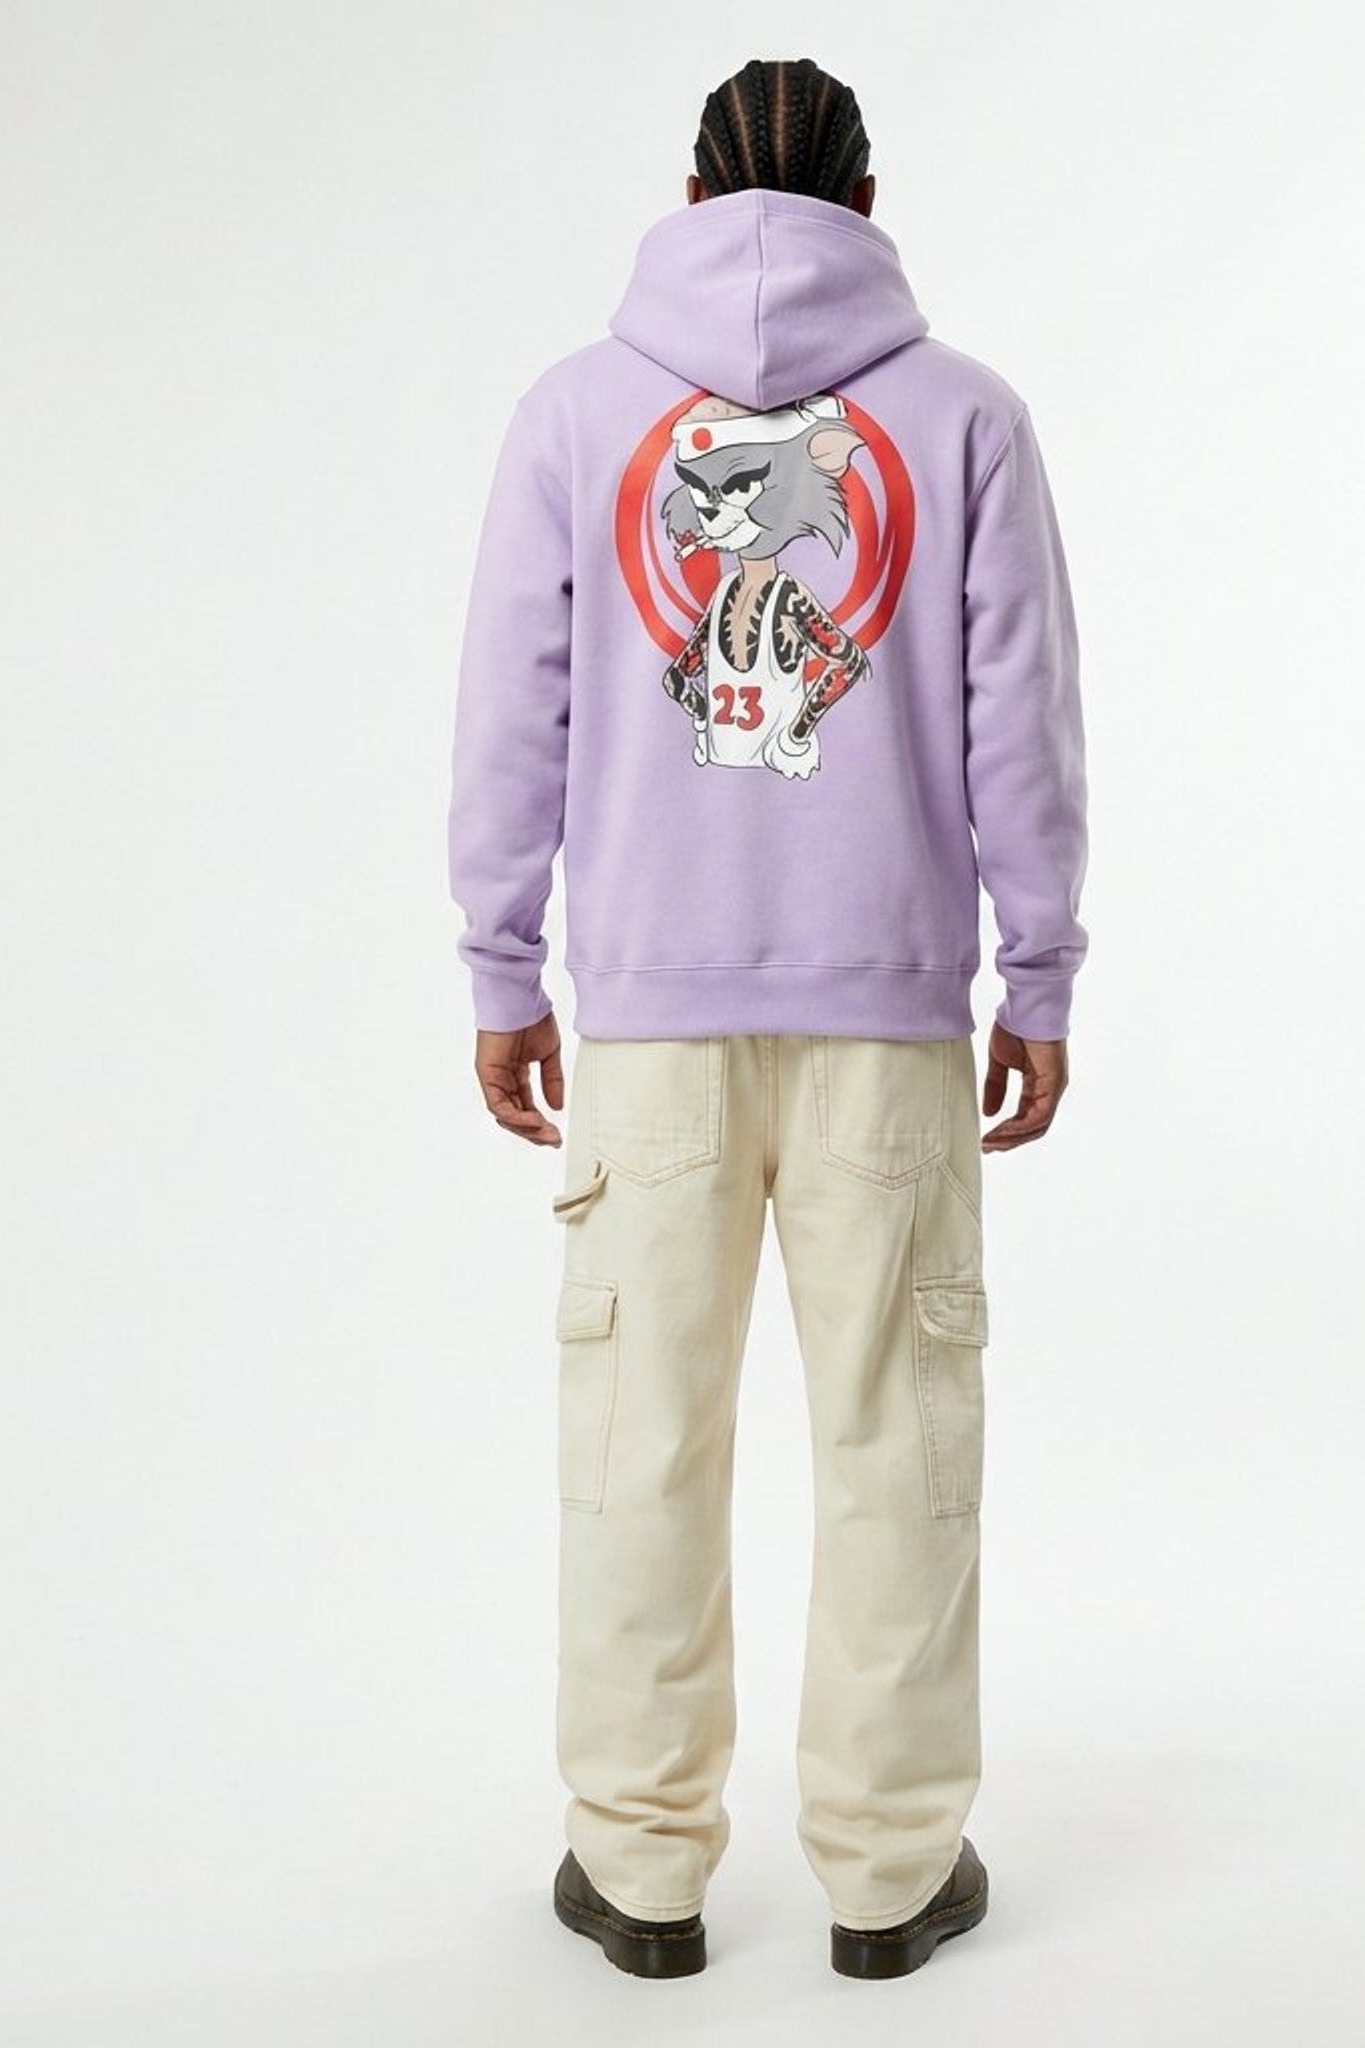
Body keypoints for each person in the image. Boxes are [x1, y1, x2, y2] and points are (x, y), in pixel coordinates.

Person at [446, 55, 1089, 1981]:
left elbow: (515, 709)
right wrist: (1038, 970)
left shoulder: (575, 417)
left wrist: (505, 966)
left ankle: (641, 1870)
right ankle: (890, 1876)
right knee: (899, 1437)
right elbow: (1019, 722)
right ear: (866, 206)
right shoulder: (964, 420)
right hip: (889, 1021)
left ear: (693, 194)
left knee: (640, 1437)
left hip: (647, 1023)